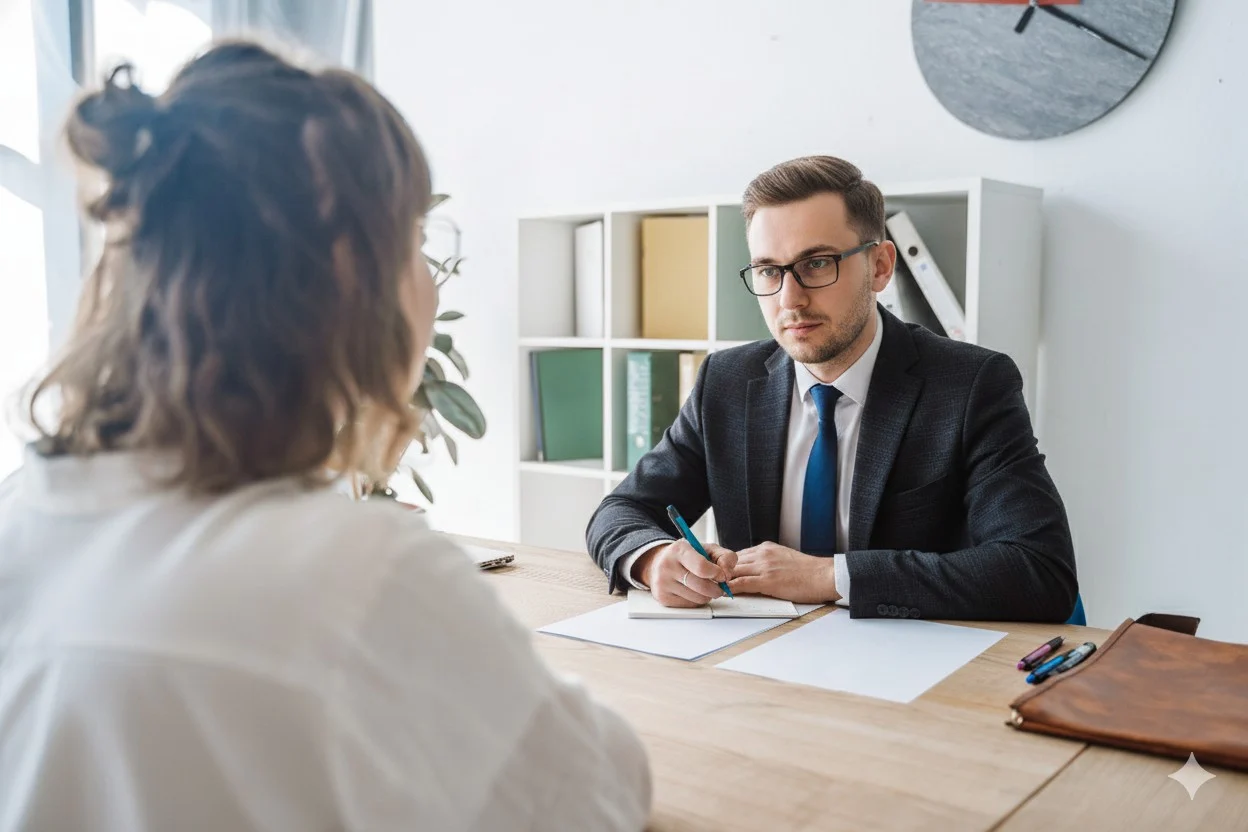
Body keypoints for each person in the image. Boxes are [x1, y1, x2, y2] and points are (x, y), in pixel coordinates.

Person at [0, 42, 650, 831]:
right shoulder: (362, 575)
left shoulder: (20, 518)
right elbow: (598, 796)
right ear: (348, 276)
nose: (430, 281)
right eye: (413, 240)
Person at [587, 155, 1077, 623]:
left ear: (881, 266)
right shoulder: (727, 382)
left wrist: (827, 576)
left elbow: (1039, 571)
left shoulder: (971, 386)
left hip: (909, 671)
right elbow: (622, 511)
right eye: (768, 270)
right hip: (757, 664)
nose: (789, 299)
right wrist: (652, 559)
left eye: (817, 263)